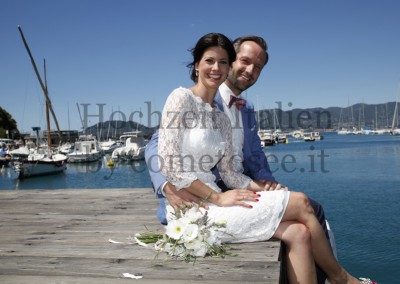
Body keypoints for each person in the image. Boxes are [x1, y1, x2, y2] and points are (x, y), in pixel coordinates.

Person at [154, 32, 371, 284]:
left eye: (223, 62)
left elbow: (237, 169)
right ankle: (342, 279)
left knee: (299, 232)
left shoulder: (225, 116)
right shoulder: (180, 98)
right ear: (196, 65)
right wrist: (171, 187)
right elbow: (164, 156)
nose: (217, 68)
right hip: (195, 205)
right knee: (303, 204)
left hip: (222, 194)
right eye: (210, 61)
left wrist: (267, 187)